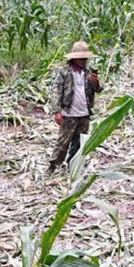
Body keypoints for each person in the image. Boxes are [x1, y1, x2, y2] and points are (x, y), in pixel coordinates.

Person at [48, 41, 103, 174]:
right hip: (69, 113)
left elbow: (99, 89)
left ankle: (73, 168)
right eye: (81, 57)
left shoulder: (89, 72)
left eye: (85, 58)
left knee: (78, 144)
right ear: (74, 57)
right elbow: (56, 91)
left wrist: (96, 83)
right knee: (62, 143)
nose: (84, 60)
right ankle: (53, 167)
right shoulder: (64, 72)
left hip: (84, 114)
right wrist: (57, 111)